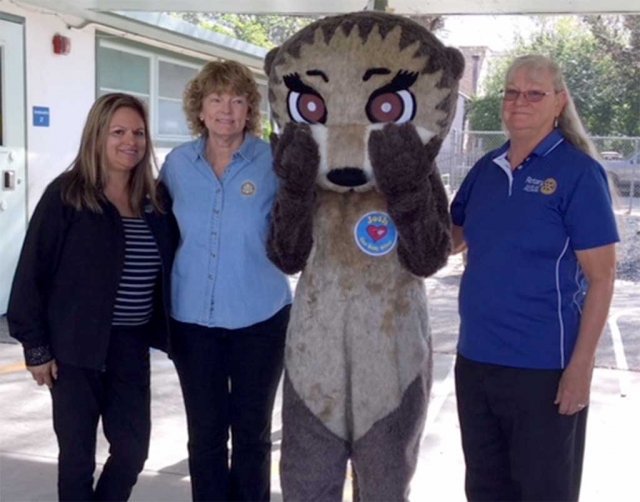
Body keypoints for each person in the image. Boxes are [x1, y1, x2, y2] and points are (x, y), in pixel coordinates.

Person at [450, 54, 618, 502]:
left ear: (558, 102)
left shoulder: (579, 174)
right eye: (510, 91)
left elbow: (602, 278)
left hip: (543, 368)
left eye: (533, 93)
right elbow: (447, 240)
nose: (518, 101)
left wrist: (580, 369)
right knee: (485, 489)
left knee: (543, 492)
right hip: (475, 362)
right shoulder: (486, 169)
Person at [7, 93, 177, 502]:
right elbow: (32, 274)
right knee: (78, 459)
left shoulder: (154, 201)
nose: (130, 141)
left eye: (138, 132)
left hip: (130, 347)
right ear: (97, 137)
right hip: (74, 348)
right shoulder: (66, 196)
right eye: (118, 131)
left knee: (133, 451)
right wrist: (36, 347)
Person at [160, 60, 292, 502]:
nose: (226, 110)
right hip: (193, 321)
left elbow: (298, 225)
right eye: (216, 99)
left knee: (252, 436)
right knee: (205, 437)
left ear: (249, 109)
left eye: (237, 100)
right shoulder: (177, 165)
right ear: (200, 108)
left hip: (261, 318)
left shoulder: (274, 160)